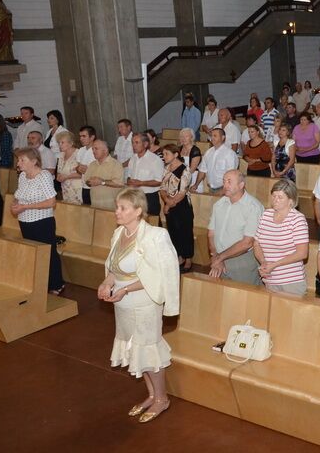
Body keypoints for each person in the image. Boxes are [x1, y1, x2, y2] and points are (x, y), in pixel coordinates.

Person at [97, 188, 180, 422]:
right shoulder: (119, 233)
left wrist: (125, 289)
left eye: (122, 208)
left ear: (138, 211)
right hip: (122, 303)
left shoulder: (156, 236)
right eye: (117, 207)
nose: (117, 212)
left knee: (148, 349)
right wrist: (107, 282)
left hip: (145, 302)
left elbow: (159, 275)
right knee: (135, 349)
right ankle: (152, 395)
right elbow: (115, 268)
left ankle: (162, 399)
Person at [11, 147, 65, 294]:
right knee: (33, 252)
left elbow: (51, 202)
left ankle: (56, 283)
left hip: (42, 222)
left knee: (48, 253)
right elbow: (19, 196)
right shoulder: (23, 176)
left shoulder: (44, 176)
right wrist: (15, 205)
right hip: (25, 221)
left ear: (34, 161)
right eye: (18, 160)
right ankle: (39, 283)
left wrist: (25, 207)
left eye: (22, 160)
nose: (18, 163)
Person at [253, 179, 309, 295]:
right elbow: (256, 243)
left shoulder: (297, 219)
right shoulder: (266, 214)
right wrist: (263, 262)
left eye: (280, 197)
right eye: (273, 196)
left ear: (290, 201)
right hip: (269, 279)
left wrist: (274, 265)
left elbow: (302, 253)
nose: (275, 200)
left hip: (291, 282)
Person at [207, 170, 264, 284]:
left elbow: (247, 243)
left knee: (244, 294)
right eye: (224, 181)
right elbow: (211, 234)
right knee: (218, 293)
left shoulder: (253, 207)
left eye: (229, 181)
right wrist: (215, 256)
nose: (225, 185)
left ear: (241, 185)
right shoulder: (219, 204)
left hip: (242, 261)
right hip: (219, 258)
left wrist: (220, 258)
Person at [158, 144, 194, 272]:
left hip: (182, 205)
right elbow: (162, 188)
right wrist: (166, 200)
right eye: (163, 154)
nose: (164, 157)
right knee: (173, 232)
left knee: (185, 232)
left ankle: (188, 259)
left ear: (176, 154)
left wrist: (168, 204)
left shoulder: (185, 170)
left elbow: (182, 192)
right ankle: (179, 257)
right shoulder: (167, 168)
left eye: (166, 154)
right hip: (169, 202)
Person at [127, 133, 165, 216]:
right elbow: (129, 175)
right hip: (135, 196)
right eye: (132, 142)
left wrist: (141, 183)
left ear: (145, 144)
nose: (134, 145)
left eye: (137, 142)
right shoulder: (133, 158)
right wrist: (129, 181)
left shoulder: (155, 160)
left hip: (149, 197)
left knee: (151, 221)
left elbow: (159, 181)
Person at [192, 128, 239, 195]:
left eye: (215, 136)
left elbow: (232, 175)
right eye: (211, 136)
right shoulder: (208, 152)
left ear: (223, 138)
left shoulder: (230, 154)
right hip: (211, 189)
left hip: (225, 190)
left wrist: (223, 190)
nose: (212, 138)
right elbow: (202, 170)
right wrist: (196, 185)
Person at [83, 140, 125, 210]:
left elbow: (119, 183)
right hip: (95, 206)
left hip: (111, 208)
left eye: (96, 149)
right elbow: (86, 181)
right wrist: (90, 182)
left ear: (105, 150)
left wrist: (102, 182)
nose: (93, 151)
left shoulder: (116, 164)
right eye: (93, 149)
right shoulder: (92, 164)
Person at [55, 131, 83, 204]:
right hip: (65, 190)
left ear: (71, 143)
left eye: (62, 142)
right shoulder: (61, 155)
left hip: (77, 190)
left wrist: (67, 177)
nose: (60, 145)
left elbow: (83, 173)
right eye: (59, 143)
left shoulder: (79, 153)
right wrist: (58, 176)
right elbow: (59, 171)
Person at [75, 126, 97, 205]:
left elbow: (103, 168)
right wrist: (79, 169)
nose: (81, 139)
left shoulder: (97, 149)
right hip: (84, 186)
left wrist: (88, 169)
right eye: (80, 136)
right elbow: (78, 168)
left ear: (92, 137)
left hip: (96, 186)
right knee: (87, 209)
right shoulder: (81, 150)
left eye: (84, 136)